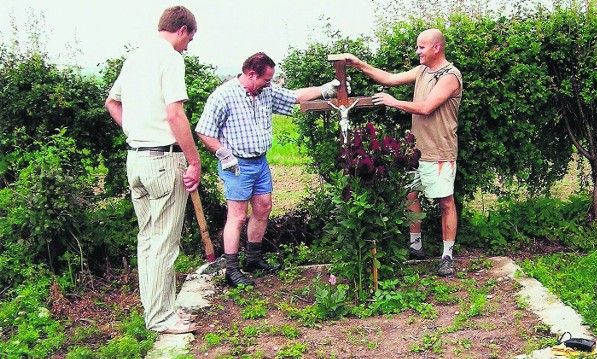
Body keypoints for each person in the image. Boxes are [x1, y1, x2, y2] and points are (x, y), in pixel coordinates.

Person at [196, 52, 345, 287]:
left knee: (263, 208)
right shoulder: (223, 96)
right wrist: (225, 155)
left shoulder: (265, 92)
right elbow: (204, 130)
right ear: (251, 74)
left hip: (260, 162)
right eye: (266, 79)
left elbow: (295, 96)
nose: (269, 84)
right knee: (236, 217)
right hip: (237, 164)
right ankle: (232, 270)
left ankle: (253, 260)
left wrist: (327, 88)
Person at [104, 6, 202, 334]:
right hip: (163, 160)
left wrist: (137, 131)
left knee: (148, 240)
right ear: (183, 30)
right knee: (163, 242)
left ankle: (158, 312)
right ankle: (161, 317)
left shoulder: (135, 58)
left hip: (136, 160)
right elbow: (175, 115)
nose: (188, 45)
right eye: (190, 38)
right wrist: (194, 161)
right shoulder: (171, 59)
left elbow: (112, 103)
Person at [344, 28, 463, 277]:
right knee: (410, 196)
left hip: (440, 151)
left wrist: (393, 102)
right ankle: (415, 246)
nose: (417, 51)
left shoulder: (450, 76)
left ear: (436, 48)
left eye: (421, 47)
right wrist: (358, 64)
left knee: (445, 203)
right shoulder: (422, 71)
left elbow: (427, 107)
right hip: (416, 152)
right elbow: (389, 78)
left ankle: (447, 256)